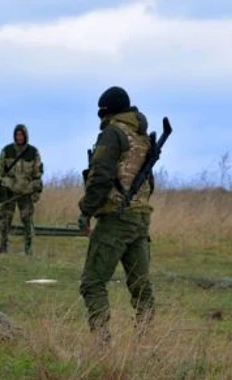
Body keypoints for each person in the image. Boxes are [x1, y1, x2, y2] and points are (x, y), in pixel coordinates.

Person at [77, 86, 155, 340]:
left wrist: (86, 210)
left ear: (105, 112)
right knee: (141, 287)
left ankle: (101, 345)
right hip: (141, 217)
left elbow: (100, 175)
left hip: (116, 216)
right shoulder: (141, 135)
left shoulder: (113, 133)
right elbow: (149, 181)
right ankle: (145, 343)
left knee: (92, 282)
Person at [0, 124, 43, 255]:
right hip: (8, 190)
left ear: (25, 136)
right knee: (6, 219)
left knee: (27, 219)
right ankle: (3, 247)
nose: (19, 137)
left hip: (25, 191)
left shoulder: (33, 152)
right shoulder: (7, 150)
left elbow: (37, 173)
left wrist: (36, 190)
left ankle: (28, 248)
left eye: (21, 135)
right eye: (17, 135)